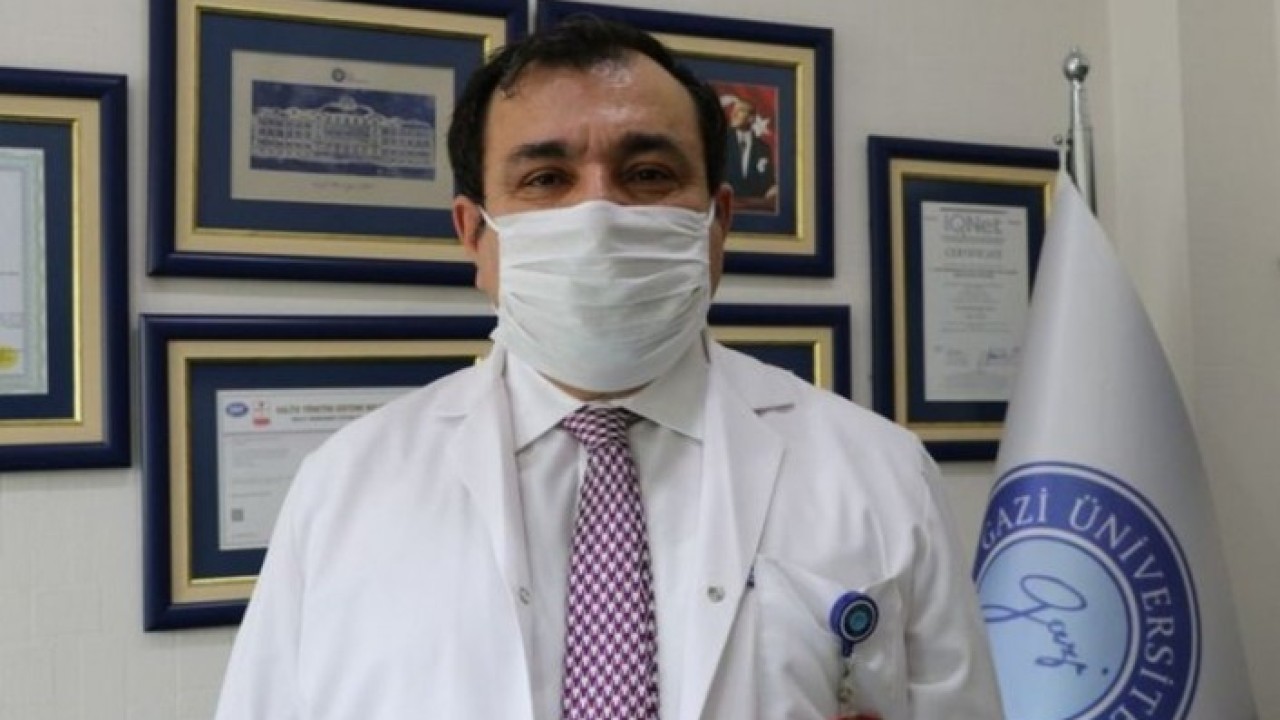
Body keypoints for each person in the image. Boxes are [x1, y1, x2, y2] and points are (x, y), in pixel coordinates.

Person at [214, 14, 1002, 720]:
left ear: (717, 223)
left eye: (649, 174)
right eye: (545, 179)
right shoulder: (344, 487)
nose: (599, 215)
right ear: (474, 236)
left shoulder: (880, 474)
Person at [722, 97, 778, 211]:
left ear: (751, 118)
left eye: (740, 110)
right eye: (734, 110)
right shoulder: (721, 142)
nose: (734, 114)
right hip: (726, 207)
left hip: (755, 209)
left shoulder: (763, 148)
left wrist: (773, 190)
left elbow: (769, 182)